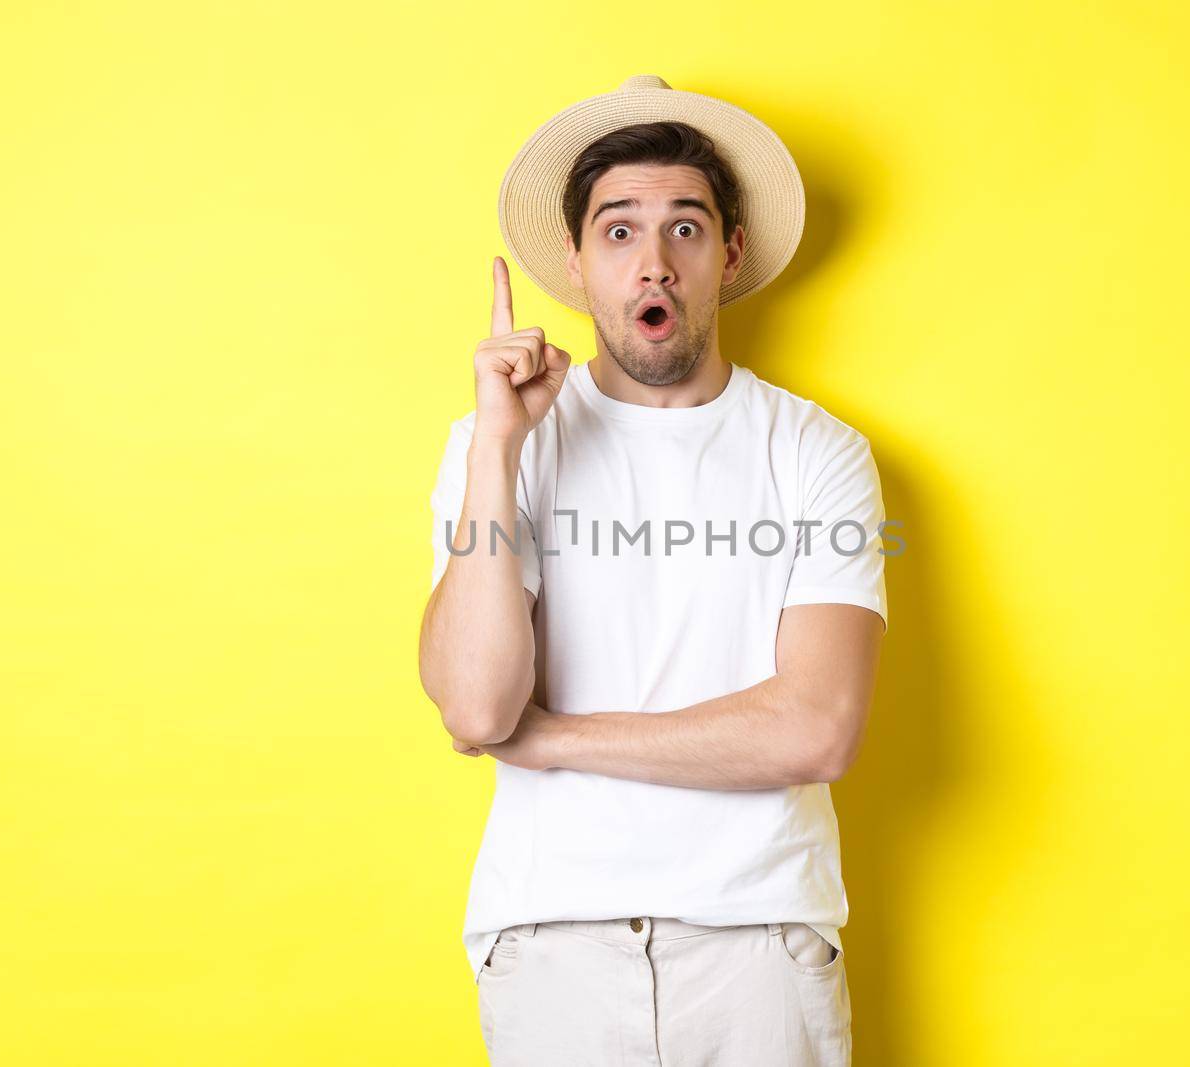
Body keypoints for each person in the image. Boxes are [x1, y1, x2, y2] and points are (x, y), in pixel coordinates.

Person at [418, 74, 889, 1066]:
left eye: (685, 227)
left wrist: (548, 739)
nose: (654, 263)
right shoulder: (494, 446)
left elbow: (816, 725)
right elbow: (472, 704)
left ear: (728, 253)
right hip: (550, 940)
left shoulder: (816, 450)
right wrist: (499, 450)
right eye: (619, 230)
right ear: (577, 266)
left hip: (759, 938)